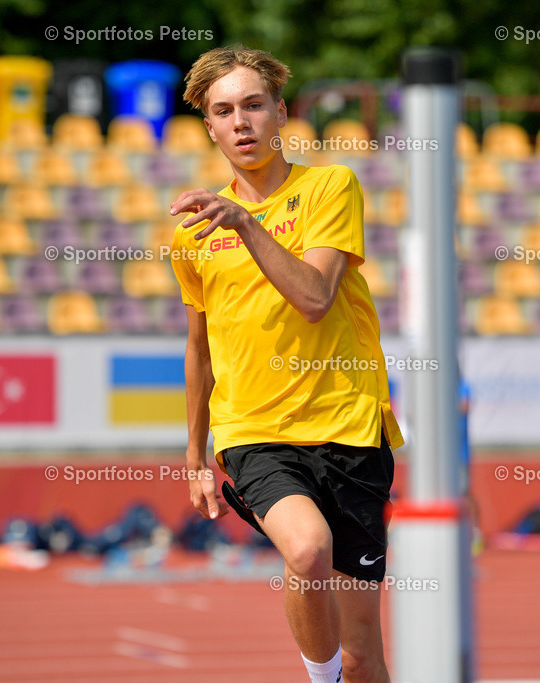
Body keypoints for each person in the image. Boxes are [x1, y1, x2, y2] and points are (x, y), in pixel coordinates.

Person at [169, 45, 403, 683]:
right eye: (224, 111)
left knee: (363, 658)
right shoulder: (193, 231)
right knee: (306, 548)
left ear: (280, 113)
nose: (241, 122)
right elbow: (199, 346)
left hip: (349, 428)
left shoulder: (330, 186)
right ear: (210, 128)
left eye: (252, 105)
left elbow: (313, 295)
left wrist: (246, 223)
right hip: (255, 432)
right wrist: (195, 456)